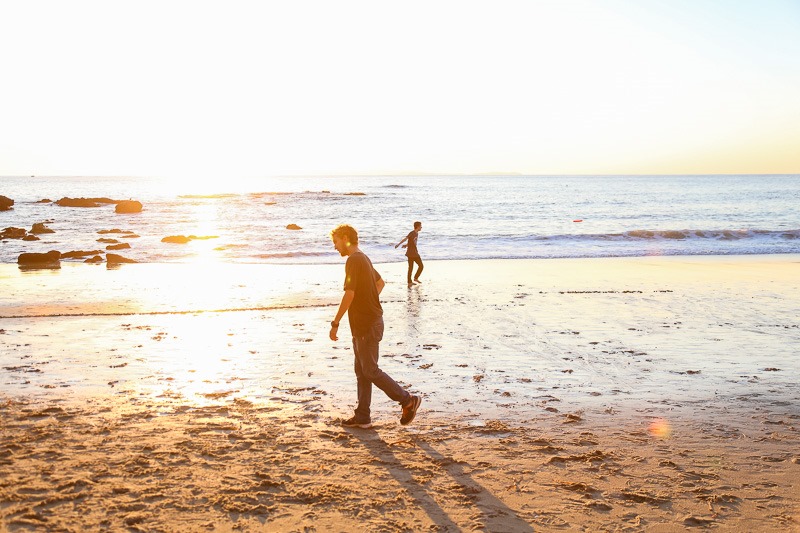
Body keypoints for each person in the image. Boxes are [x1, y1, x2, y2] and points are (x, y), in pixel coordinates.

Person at [329, 224, 421, 428]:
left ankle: (407, 400)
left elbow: (349, 294)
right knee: (361, 371)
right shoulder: (363, 258)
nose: (335, 247)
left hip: (367, 324)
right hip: (369, 322)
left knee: (369, 370)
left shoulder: (354, 260)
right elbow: (380, 284)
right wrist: (367, 302)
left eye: (335, 242)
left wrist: (335, 323)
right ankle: (363, 416)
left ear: (345, 238)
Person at [395, 221, 423, 287]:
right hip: (411, 254)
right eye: (420, 226)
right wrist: (399, 244)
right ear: (418, 226)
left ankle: (415, 278)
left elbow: (411, 241)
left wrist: (406, 245)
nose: (421, 227)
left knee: (421, 266)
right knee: (411, 268)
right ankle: (409, 282)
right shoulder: (412, 233)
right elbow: (405, 238)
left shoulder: (416, 233)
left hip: (415, 253)